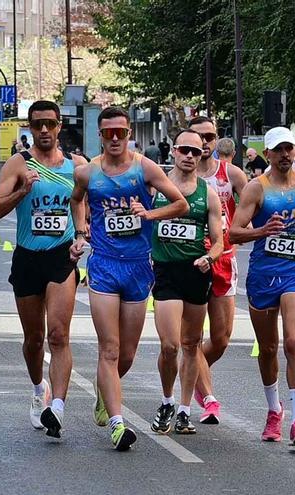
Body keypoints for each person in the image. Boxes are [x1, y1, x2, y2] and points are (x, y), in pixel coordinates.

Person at [69, 106, 188, 451]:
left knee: (127, 354)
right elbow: (76, 201)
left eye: (121, 131)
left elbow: (179, 203)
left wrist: (149, 213)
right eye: (109, 132)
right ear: (101, 134)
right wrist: (80, 231)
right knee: (109, 347)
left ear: (129, 132)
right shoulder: (87, 172)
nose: (116, 138)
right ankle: (119, 425)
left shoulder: (144, 167)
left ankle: (104, 389)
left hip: (138, 267)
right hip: (104, 265)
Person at [0, 100, 87, 439]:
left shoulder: (77, 166)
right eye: (37, 124)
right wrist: (22, 191)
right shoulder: (18, 164)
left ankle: (56, 407)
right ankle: (37, 388)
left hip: (62, 257)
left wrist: (81, 236)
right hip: (28, 257)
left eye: (49, 123)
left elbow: (82, 209)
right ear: (29, 128)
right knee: (34, 340)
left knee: (58, 335)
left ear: (59, 126)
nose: (43, 130)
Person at [229, 126, 295, 445]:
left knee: (293, 342)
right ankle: (274, 409)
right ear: (267, 154)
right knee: (268, 347)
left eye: (290, 148)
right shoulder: (256, 189)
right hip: (262, 273)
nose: (285, 154)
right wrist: (262, 231)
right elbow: (233, 232)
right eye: (278, 150)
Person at [150, 129, 224, 435]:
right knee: (169, 345)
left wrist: (210, 257)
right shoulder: (156, 186)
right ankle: (167, 400)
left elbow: (220, 240)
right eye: (185, 150)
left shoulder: (208, 193)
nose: (191, 156)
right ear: (174, 152)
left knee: (191, 344)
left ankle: (184, 409)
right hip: (166, 270)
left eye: (197, 152)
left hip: (195, 271)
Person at [190, 116, 248, 425]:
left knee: (222, 339)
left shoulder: (231, 174)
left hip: (224, 259)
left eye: (211, 136)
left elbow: (256, 202)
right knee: (191, 338)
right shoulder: (178, 177)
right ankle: (207, 396)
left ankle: (192, 372)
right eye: (201, 137)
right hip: (189, 261)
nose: (207, 142)